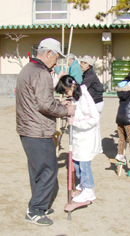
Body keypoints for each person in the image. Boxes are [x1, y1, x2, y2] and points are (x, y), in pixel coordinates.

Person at [16, 38, 76, 226]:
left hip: (28, 128)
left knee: (38, 171)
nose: (56, 62)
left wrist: (59, 104)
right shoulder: (41, 73)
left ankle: (39, 205)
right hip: (38, 130)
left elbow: (39, 101)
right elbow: (44, 105)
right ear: (48, 53)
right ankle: (35, 210)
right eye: (56, 57)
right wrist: (66, 110)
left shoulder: (27, 69)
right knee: (49, 170)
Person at [56, 75, 100, 202]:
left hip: (86, 137)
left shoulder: (85, 97)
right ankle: (83, 184)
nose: (66, 93)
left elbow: (93, 118)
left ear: (73, 86)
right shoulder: (76, 97)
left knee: (84, 163)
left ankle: (89, 190)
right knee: (76, 161)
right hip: (78, 137)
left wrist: (74, 121)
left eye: (67, 91)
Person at [80, 55, 104, 152]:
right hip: (95, 102)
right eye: (81, 62)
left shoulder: (90, 75)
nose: (81, 64)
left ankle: (97, 147)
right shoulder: (87, 74)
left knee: (94, 126)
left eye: (84, 63)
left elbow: (82, 88)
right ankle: (97, 147)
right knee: (94, 125)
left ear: (88, 65)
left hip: (96, 103)